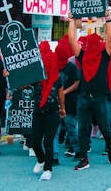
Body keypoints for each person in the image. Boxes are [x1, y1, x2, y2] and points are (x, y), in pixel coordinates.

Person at [67, 11, 111, 170]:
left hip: (99, 98)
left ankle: (110, 147)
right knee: (82, 129)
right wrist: (72, 21)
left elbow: (110, 39)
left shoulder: (104, 55)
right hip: (84, 98)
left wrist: (72, 22)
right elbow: (71, 40)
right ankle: (84, 158)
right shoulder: (84, 56)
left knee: (105, 128)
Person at [30, 41, 65, 181]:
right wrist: (9, 75)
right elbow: (23, 83)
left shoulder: (57, 77)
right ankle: (41, 159)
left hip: (52, 111)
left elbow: (61, 93)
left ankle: (48, 169)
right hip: (38, 111)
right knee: (35, 141)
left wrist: (62, 108)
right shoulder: (36, 75)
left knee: (48, 141)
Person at [54, 35, 81, 160]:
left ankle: (77, 151)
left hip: (69, 101)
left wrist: (64, 92)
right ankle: (53, 155)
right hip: (55, 101)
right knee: (54, 130)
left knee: (71, 128)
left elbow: (77, 82)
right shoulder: (53, 65)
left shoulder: (71, 66)